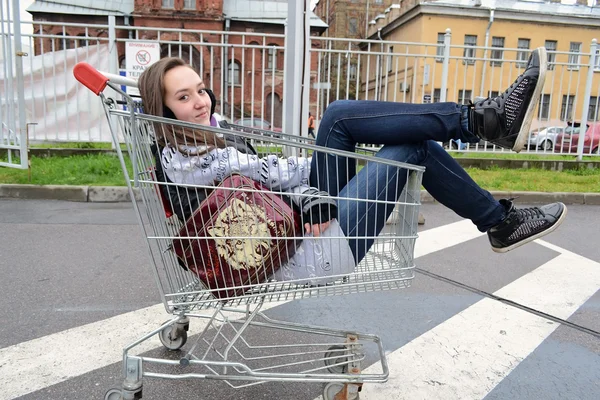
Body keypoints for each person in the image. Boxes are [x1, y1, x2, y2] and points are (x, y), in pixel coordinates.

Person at [138, 47, 566, 268]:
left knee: (399, 143)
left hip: (306, 223)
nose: (201, 101)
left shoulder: (207, 140)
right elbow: (272, 180)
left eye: (200, 89)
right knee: (341, 119)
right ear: (163, 109)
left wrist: (344, 163)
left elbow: (268, 182)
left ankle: (499, 217)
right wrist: (333, 168)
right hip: (304, 246)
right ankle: (484, 121)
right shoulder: (193, 162)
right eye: (183, 96)